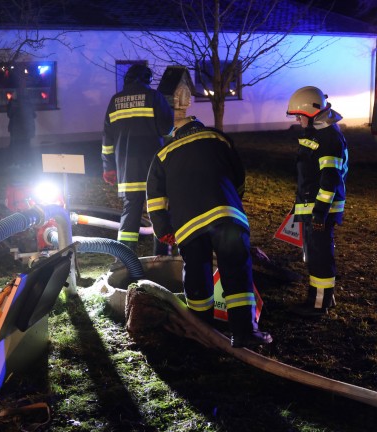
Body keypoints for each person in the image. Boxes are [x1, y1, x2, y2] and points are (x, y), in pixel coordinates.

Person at [146, 117, 273, 348]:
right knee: (236, 269)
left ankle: (200, 329)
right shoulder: (217, 138)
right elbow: (238, 176)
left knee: (196, 271)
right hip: (226, 216)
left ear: (176, 133)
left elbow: (154, 200)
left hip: (188, 225)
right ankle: (244, 332)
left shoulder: (163, 154)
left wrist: (163, 230)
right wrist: (233, 202)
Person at [286, 86, 349, 318]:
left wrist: (320, 212)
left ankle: (318, 305)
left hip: (321, 210)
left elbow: (330, 178)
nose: (297, 119)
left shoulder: (328, 137)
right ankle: (324, 298)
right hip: (314, 208)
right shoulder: (320, 134)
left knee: (320, 258)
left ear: (312, 113)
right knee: (315, 255)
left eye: (299, 115)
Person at [102, 64, 174, 255]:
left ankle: (125, 259)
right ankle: (160, 256)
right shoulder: (153, 97)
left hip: (127, 168)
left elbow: (107, 139)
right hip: (153, 166)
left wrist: (108, 167)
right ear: (148, 79)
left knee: (130, 211)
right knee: (158, 210)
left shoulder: (115, 100)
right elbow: (166, 128)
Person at [7, 90, 37, 168]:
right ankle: (27, 163)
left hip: (17, 130)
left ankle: (18, 163)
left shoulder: (14, 103)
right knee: (26, 147)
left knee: (17, 148)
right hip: (26, 130)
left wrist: (12, 101)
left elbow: (9, 114)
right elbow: (34, 115)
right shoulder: (28, 103)